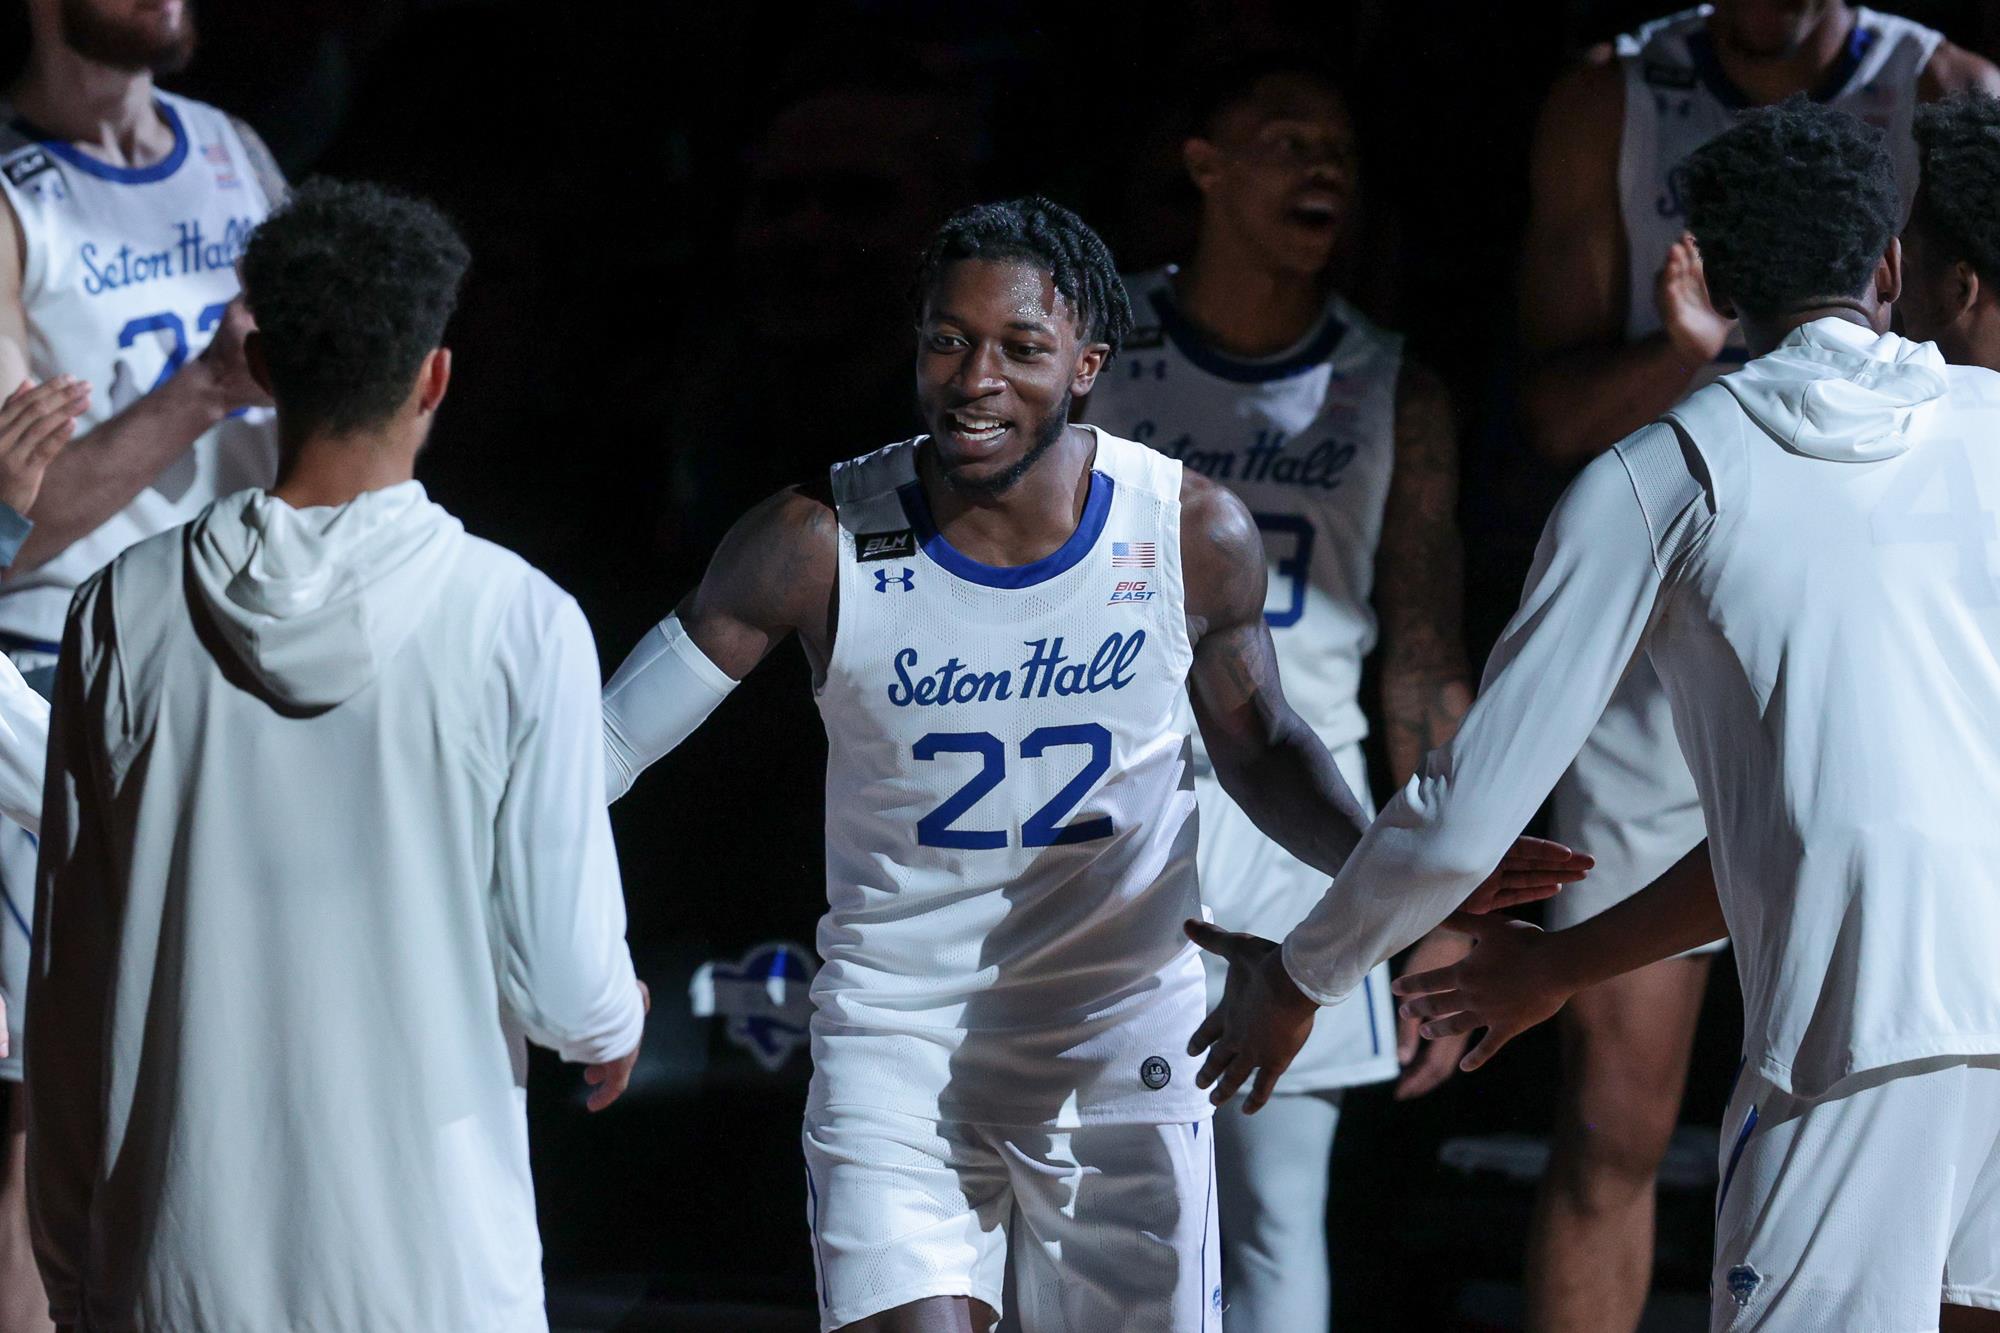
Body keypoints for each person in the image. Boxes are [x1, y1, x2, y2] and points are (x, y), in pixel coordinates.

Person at [598, 196, 1581, 1333]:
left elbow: (1259, 747)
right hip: (899, 1039)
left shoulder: (1184, 531)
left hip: (1116, 1040)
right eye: (946, 339)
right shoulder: (815, 538)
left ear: (1086, 366)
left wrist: (1401, 873)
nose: (976, 378)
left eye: (1020, 348)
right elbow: (605, 749)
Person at [1193, 96, 2000, 1333]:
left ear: (1706, 279)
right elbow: (1817, 826)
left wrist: (1304, 975)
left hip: (1862, 1027)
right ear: (1886, 266)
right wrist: (1563, 962)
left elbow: (1462, 826)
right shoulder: (1989, 430)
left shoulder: (1662, 472)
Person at [21, 179, 648, 1333]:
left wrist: (76, 1269)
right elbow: (565, 980)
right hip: (433, 1270)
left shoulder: (120, 608)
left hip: (175, 1266)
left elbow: (68, 982)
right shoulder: (519, 618)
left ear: (260, 374)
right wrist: (611, 1024)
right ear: (434, 376)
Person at [1515, 5, 1998, 1326]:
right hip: (1673, 609)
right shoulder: (1610, 92)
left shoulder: (1944, 81)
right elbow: (1553, 409)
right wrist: (1687, 360)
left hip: (1875, 618)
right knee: (1611, 1118)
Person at [1083, 55, 1477, 1330]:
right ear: (1202, 166)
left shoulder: (1392, 385)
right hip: (1106, 826)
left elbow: (1420, 656)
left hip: (1298, 835)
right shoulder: (1094, 350)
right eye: (1286, 140)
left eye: (1341, 153)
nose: (1322, 169)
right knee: (1100, 1217)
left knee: (1272, 1228)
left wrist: (1439, 901)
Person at [0, 3, 286, 1323]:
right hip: (62, 680)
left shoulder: (232, 150)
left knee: (234, 1093)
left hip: (243, 666)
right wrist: (201, 392)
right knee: (44, 1124)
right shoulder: (15, 202)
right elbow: (10, 520)